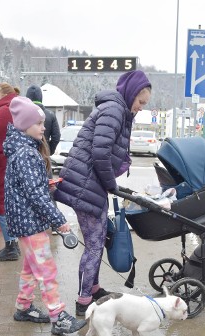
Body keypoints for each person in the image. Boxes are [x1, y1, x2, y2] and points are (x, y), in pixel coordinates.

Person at [54, 70, 152, 316]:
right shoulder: (115, 110)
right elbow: (100, 153)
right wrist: (111, 184)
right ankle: (84, 300)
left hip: (88, 183)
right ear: (131, 94)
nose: (140, 108)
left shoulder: (116, 109)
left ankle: (93, 288)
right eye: (140, 102)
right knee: (95, 244)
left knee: (95, 241)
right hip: (87, 185)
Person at [5, 96, 86, 335]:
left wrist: (44, 184)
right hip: (31, 221)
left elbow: (30, 187)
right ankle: (58, 316)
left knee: (31, 267)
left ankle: (23, 306)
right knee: (47, 270)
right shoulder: (27, 154)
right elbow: (35, 195)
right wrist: (60, 222)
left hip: (25, 219)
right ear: (25, 125)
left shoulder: (21, 149)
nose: (44, 127)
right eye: (39, 123)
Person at [0, 82, 20, 261]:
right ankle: (12, 244)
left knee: (1, 204)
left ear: (2, 95)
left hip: (0, 164)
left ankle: (11, 245)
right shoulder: (13, 107)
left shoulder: (4, 110)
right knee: (5, 204)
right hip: (6, 163)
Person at [25, 84, 61, 156]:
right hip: (43, 154)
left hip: (25, 153)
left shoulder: (22, 114)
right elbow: (56, 137)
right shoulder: (50, 115)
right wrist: (48, 151)